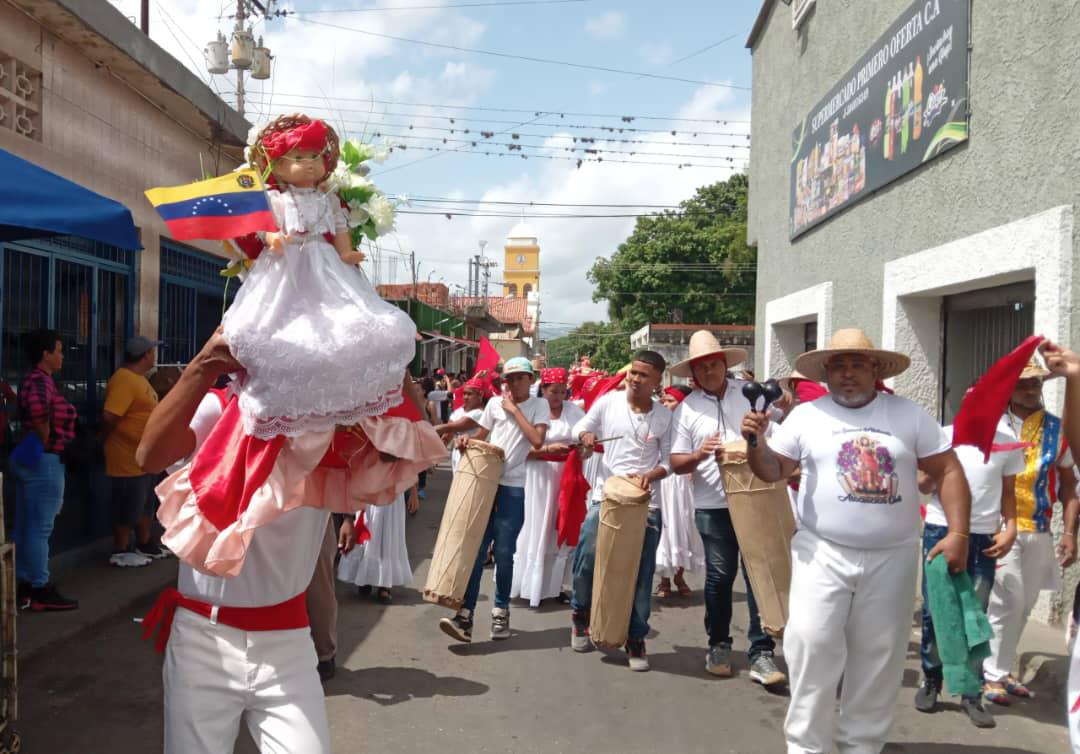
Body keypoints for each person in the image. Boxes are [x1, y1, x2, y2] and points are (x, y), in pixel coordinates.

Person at [135, 330, 439, 754]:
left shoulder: (336, 424)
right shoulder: (219, 409)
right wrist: (204, 362)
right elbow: (148, 455)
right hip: (204, 638)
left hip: (289, 642)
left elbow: (411, 440)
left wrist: (385, 343)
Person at [742, 328, 971, 754]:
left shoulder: (908, 415)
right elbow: (773, 471)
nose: (847, 373)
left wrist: (958, 533)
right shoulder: (807, 416)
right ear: (826, 373)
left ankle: (861, 744)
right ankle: (807, 746)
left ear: (875, 370)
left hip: (893, 556)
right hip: (821, 552)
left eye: (857, 364)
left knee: (879, 654)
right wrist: (755, 444)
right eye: (838, 365)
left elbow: (949, 469)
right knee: (809, 642)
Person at [668, 330, 784, 685]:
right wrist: (700, 454)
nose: (708, 372)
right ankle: (718, 643)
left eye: (713, 365)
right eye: (700, 368)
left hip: (755, 498)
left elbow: (781, 425)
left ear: (724, 364)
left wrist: (768, 424)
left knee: (756, 574)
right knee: (719, 578)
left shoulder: (750, 395)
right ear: (694, 373)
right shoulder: (686, 409)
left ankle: (761, 652)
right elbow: (675, 462)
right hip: (712, 504)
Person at [914, 412, 1023, 727]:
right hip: (940, 531)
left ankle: (971, 692)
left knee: (975, 614)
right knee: (937, 611)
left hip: (984, 538)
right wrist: (945, 458)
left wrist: (1010, 528)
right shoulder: (943, 435)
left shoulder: (1007, 443)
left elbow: (1009, 492)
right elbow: (923, 484)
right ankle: (931, 679)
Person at [982, 358, 1080, 704]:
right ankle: (992, 675)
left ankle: (1001, 667)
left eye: (1036, 383)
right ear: (1008, 387)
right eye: (1023, 383)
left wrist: (1070, 533)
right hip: (999, 527)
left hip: (1039, 528)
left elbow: (1069, 485)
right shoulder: (992, 425)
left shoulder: (1058, 429)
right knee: (1007, 600)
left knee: (1024, 604)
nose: (1030, 388)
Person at [569, 351, 673, 672]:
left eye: (644, 375)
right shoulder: (608, 402)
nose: (635, 379)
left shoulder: (665, 418)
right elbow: (581, 429)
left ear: (657, 381)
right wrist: (586, 436)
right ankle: (580, 615)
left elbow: (668, 462)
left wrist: (650, 475)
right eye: (633, 372)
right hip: (606, 496)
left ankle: (636, 637)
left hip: (646, 504)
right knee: (587, 558)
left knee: (641, 576)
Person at [438, 357, 549, 643]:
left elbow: (537, 441)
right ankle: (466, 614)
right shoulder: (493, 404)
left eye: (519, 378)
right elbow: (482, 436)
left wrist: (514, 410)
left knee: (503, 553)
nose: (513, 383)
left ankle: (500, 610)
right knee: (476, 550)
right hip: (487, 484)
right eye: (509, 379)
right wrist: (466, 441)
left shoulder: (539, 405)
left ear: (531, 379)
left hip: (513, 487)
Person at [12, 329, 78, 611]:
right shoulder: (39, 381)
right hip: (44, 458)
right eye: (59, 350)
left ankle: (24, 582)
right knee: (40, 528)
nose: (62, 356)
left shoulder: (39, 381)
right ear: (45, 353)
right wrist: (45, 440)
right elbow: (40, 418)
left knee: (27, 525)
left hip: (33, 456)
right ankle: (39, 586)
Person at [512, 367, 586, 606]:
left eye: (563, 392)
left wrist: (582, 449)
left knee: (561, 527)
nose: (558, 397)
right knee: (538, 524)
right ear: (543, 389)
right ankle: (531, 586)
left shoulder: (575, 412)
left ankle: (557, 586)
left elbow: (584, 439)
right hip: (539, 475)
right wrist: (546, 451)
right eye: (553, 391)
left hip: (567, 475)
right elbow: (518, 450)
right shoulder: (532, 410)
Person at [101, 335, 168, 567]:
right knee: (128, 505)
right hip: (126, 458)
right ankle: (120, 549)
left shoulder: (140, 380)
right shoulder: (124, 380)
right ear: (145, 355)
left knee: (144, 503)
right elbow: (110, 416)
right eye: (152, 351)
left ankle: (144, 542)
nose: (155, 355)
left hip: (143, 458)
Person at [654, 384, 703, 599]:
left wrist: (695, 467)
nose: (665, 404)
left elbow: (700, 450)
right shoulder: (658, 422)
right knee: (665, 527)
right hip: (663, 480)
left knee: (683, 526)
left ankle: (679, 575)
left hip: (684, 482)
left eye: (671, 401)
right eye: (664, 401)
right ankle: (664, 579)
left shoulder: (690, 422)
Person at [337, 490, 417, 603]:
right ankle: (366, 577)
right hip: (370, 487)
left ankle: (384, 584)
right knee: (369, 528)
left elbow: (409, 471)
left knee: (389, 533)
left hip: (393, 491)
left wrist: (413, 493)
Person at [435, 378, 486, 471]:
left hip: (473, 459)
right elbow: (447, 435)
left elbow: (453, 426)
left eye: (470, 394)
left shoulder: (481, 413)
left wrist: (427, 429)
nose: (466, 397)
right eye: (464, 393)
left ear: (480, 395)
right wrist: (435, 458)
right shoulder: (458, 412)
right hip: (457, 455)